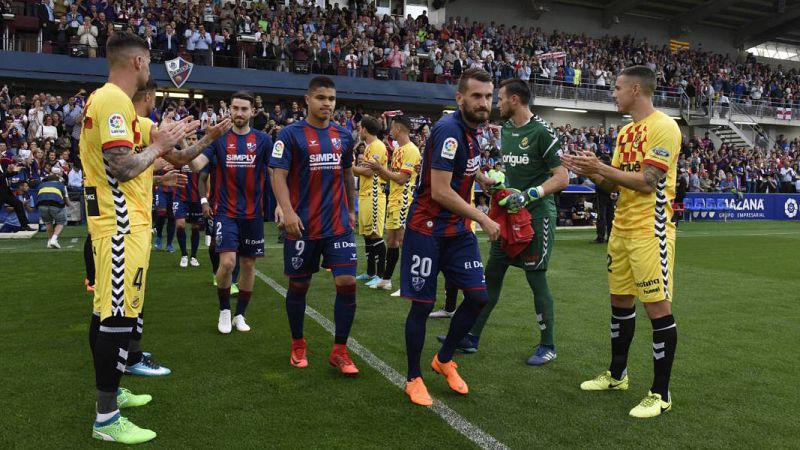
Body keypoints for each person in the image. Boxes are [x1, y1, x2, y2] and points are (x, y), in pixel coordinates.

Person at [83, 32, 226, 443]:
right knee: (116, 320)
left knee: (106, 315)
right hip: (120, 227)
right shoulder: (111, 101)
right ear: (137, 62)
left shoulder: (121, 109)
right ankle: (106, 419)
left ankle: (113, 394)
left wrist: (208, 138)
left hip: (127, 227)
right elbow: (126, 166)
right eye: (148, 61)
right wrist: (160, 143)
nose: (150, 67)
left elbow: (178, 157)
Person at [561, 65, 680, 419]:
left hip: (650, 231)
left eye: (617, 88)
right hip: (621, 229)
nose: (613, 94)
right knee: (619, 302)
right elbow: (612, 185)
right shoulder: (625, 132)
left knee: (657, 308)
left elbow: (647, 182)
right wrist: (590, 172)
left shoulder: (664, 127)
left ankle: (660, 393)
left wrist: (601, 168)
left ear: (637, 90)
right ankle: (617, 375)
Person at [442, 78, 569, 365]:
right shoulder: (509, 129)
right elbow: (514, 173)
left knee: (536, 279)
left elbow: (562, 178)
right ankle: (471, 336)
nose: (495, 104)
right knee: (491, 275)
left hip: (536, 218)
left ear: (514, 100)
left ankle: (548, 345)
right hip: (509, 216)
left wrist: (529, 195)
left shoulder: (542, 132)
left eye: (499, 98)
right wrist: (493, 183)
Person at [401, 68, 501, 407]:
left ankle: (443, 359)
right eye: (476, 96)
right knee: (423, 305)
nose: (484, 102)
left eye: (488, 96)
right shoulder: (448, 131)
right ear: (460, 98)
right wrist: (483, 217)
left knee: (477, 297)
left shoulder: (475, 131)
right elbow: (441, 192)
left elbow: (464, 169)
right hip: (427, 230)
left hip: (457, 231)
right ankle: (413, 378)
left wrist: (484, 179)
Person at [269, 76, 360, 375]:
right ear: (307, 100)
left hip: (337, 224)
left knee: (347, 283)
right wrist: (287, 210)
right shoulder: (289, 135)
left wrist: (352, 208)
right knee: (299, 285)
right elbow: (277, 175)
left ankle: (340, 351)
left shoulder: (343, 135)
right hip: (302, 226)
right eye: (321, 98)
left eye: (332, 99)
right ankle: (298, 344)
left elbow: (348, 174)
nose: (327, 104)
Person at [189, 91, 272, 334]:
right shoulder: (219, 140)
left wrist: (281, 205)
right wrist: (189, 141)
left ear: (251, 112)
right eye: (235, 108)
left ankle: (240, 315)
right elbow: (195, 166)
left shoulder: (263, 141)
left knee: (248, 265)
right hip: (226, 212)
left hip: (254, 214)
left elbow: (275, 172)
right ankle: (224, 311)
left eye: (244, 109)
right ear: (230, 111)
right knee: (227, 263)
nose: (239, 113)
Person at [363, 114, 420, 294]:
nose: (390, 130)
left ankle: (408, 284)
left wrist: (380, 169)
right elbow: (391, 176)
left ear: (400, 129)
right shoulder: (398, 150)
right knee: (391, 241)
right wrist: (377, 170)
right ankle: (386, 280)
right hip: (393, 200)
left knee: (404, 242)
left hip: (404, 200)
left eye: (393, 127)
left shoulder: (411, 150)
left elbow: (402, 179)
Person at [352, 115, 388, 287]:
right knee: (367, 234)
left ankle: (381, 275)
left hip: (375, 195)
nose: (359, 130)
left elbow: (368, 172)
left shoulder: (378, 147)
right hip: (365, 195)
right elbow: (363, 170)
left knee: (375, 234)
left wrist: (350, 167)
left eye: (360, 128)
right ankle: (370, 271)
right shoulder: (368, 147)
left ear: (365, 129)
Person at [174, 132, 204, 268]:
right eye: (189, 139)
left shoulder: (202, 156)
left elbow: (205, 177)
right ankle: (184, 255)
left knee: (195, 227)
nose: (191, 141)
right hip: (180, 195)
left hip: (196, 197)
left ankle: (194, 256)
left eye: (194, 139)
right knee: (180, 225)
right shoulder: (179, 156)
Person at [36, 172, 72, 248]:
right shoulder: (61, 185)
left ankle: (49, 242)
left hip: (41, 204)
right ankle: (54, 239)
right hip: (55, 203)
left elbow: (39, 196)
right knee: (61, 222)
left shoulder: (41, 185)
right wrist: (70, 205)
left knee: (48, 223)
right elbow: (66, 200)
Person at [0, 160, 36, 231]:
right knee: (18, 204)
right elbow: (1, 177)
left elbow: (4, 176)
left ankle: (24, 225)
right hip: (1, 193)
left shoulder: (1, 165)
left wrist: (15, 172)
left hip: (5, 192)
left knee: (18, 204)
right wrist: (10, 171)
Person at [594, 153, 617, 242]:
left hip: (602, 195)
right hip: (610, 195)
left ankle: (600, 237)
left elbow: (600, 182)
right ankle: (610, 237)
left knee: (601, 216)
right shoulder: (611, 169)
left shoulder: (601, 170)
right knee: (610, 217)